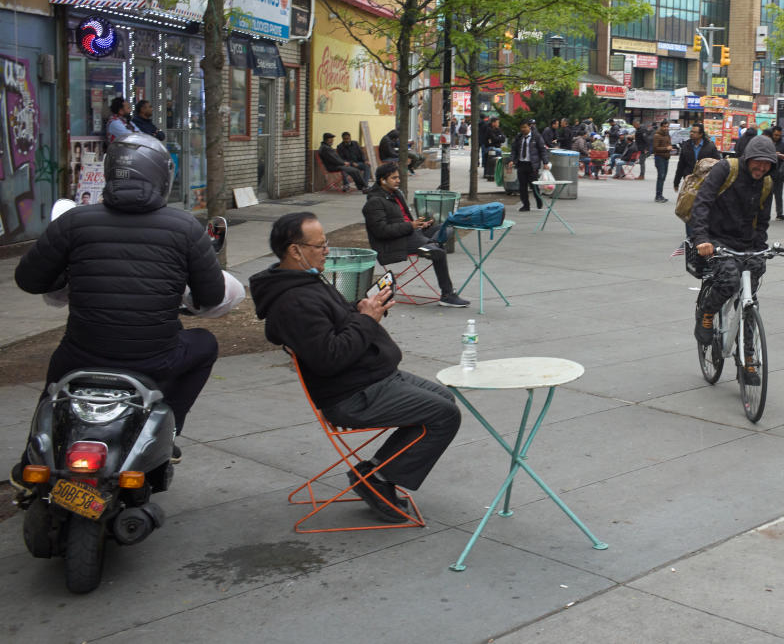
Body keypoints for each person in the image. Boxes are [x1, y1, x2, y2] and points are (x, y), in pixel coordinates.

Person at [14, 134, 224, 473]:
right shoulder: (186, 227)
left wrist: (67, 277)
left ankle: (28, 464)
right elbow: (211, 298)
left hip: (82, 355)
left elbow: (28, 279)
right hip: (156, 358)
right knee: (205, 344)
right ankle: (168, 431)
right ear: (161, 176)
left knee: (54, 390)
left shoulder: (74, 221)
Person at [250, 212, 462, 522]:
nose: (327, 250)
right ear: (295, 250)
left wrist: (366, 306)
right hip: (353, 395)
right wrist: (366, 318)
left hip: (371, 378)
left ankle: (374, 470)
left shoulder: (304, 281)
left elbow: (337, 323)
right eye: (320, 245)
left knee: (444, 401)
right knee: (444, 415)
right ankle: (377, 481)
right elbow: (330, 356)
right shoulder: (294, 301)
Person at [689, 136, 779, 382]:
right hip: (715, 239)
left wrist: (761, 249)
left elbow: (762, 220)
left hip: (746, 243)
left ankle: (748, 360)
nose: (761, 169)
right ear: (748, 159)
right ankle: (707, 314)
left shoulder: (767, 182)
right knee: (728, 279)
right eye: (757, 163)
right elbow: (702, 203)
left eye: (766, 165)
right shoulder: (726, 169)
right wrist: (701, 239)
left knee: (750, 304)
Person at [361, 163, 470, 307]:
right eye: (394, 178)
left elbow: (403, 220)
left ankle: (430, 244)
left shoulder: (396, 194)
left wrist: (419, 224)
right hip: (393, 243)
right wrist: (410, 226)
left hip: (410, 233)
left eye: (398, 177)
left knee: (446, 227)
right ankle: (447, 294)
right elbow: (381, 231)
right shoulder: (374, 202)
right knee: (439, 253)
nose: (398, 180)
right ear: (382, 180)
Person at [510, 119, 550, 211]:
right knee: (522, 186)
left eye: (525, 127)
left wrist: (545, 162)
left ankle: (538, 199)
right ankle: (526, 205)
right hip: (521, 164)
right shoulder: (519, 137)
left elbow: (542, 150)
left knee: (534, 185)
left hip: (532, 165)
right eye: (521, 127)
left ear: (529, 127)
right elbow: (514, 150)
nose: (523, 129)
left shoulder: (536, 137)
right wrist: (512, 160)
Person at [673, 123, 720, 191]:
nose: (691, 133)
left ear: (700, 134)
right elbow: (681, 165)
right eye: (691, 131)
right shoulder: (686, 146)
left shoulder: (710, 147)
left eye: (694, 132)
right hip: (689, 180)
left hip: (705, 181)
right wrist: (676, 182)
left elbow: (717, 164)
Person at [764, 126, 784, 220]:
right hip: (768, 173)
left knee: (779, 195)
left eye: (779, 135)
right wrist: (774, 154)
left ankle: (779, 214)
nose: (777, 137)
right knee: (767, 196)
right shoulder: (767, 142)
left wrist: (783, 156)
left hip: (779, 173)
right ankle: (765, 214)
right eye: (775, 135)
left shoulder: (782, 145)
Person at [652, 119, 673, 203]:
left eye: (667, 126)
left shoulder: (667, 135)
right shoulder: (657, 135)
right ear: (661, 127)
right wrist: (666, 148)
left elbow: (669, 144)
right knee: (661, 176)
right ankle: (658, 196)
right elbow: (655, 148)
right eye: (664, 127)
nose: (666, 128)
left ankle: (660, 194)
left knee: (663, 177)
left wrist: (670, 147)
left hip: (666, 158)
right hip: (659, 158)